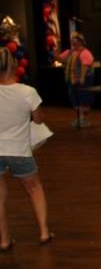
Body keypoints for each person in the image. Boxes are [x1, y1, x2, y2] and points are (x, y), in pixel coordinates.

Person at [0, 47, 54, 251]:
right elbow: (39, 119)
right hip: (19, 151)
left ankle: (4, 240)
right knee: (34, 189)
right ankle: (43, 232)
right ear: (14, 65)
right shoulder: (27, 92)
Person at [56, 32, 95, 128]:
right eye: (72, 39)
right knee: (74, 98)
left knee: (83, 98)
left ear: (80, 42)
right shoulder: (70, 52)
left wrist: (81, 77)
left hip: (83, 80)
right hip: (72, 80)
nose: (73, 41)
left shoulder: (85, 52)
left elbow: (85, 65)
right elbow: (60, 59)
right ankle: (80, 118)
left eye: (75, 39)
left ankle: (85, 119)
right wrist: (55, 51)